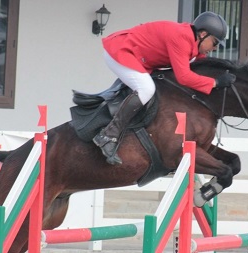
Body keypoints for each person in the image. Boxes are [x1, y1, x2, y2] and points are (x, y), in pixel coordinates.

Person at [92, 11, 237, 165]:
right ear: (202, 34)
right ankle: (108, 134)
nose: (214, 48)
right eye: (215, 42)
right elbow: (184, 77)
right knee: (146, 89)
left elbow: (198, 69)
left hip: (137, 56)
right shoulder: (182, 38)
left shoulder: (194, 45)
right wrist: (215, 83)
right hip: (120, 51)